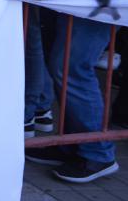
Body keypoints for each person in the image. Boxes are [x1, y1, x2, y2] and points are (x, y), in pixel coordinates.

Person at [27, 13, 122, 183]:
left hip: (98, 4)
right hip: (88, 3)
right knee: (65, 66)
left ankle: (97, 151)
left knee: (72, 68)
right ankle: (74, 144)